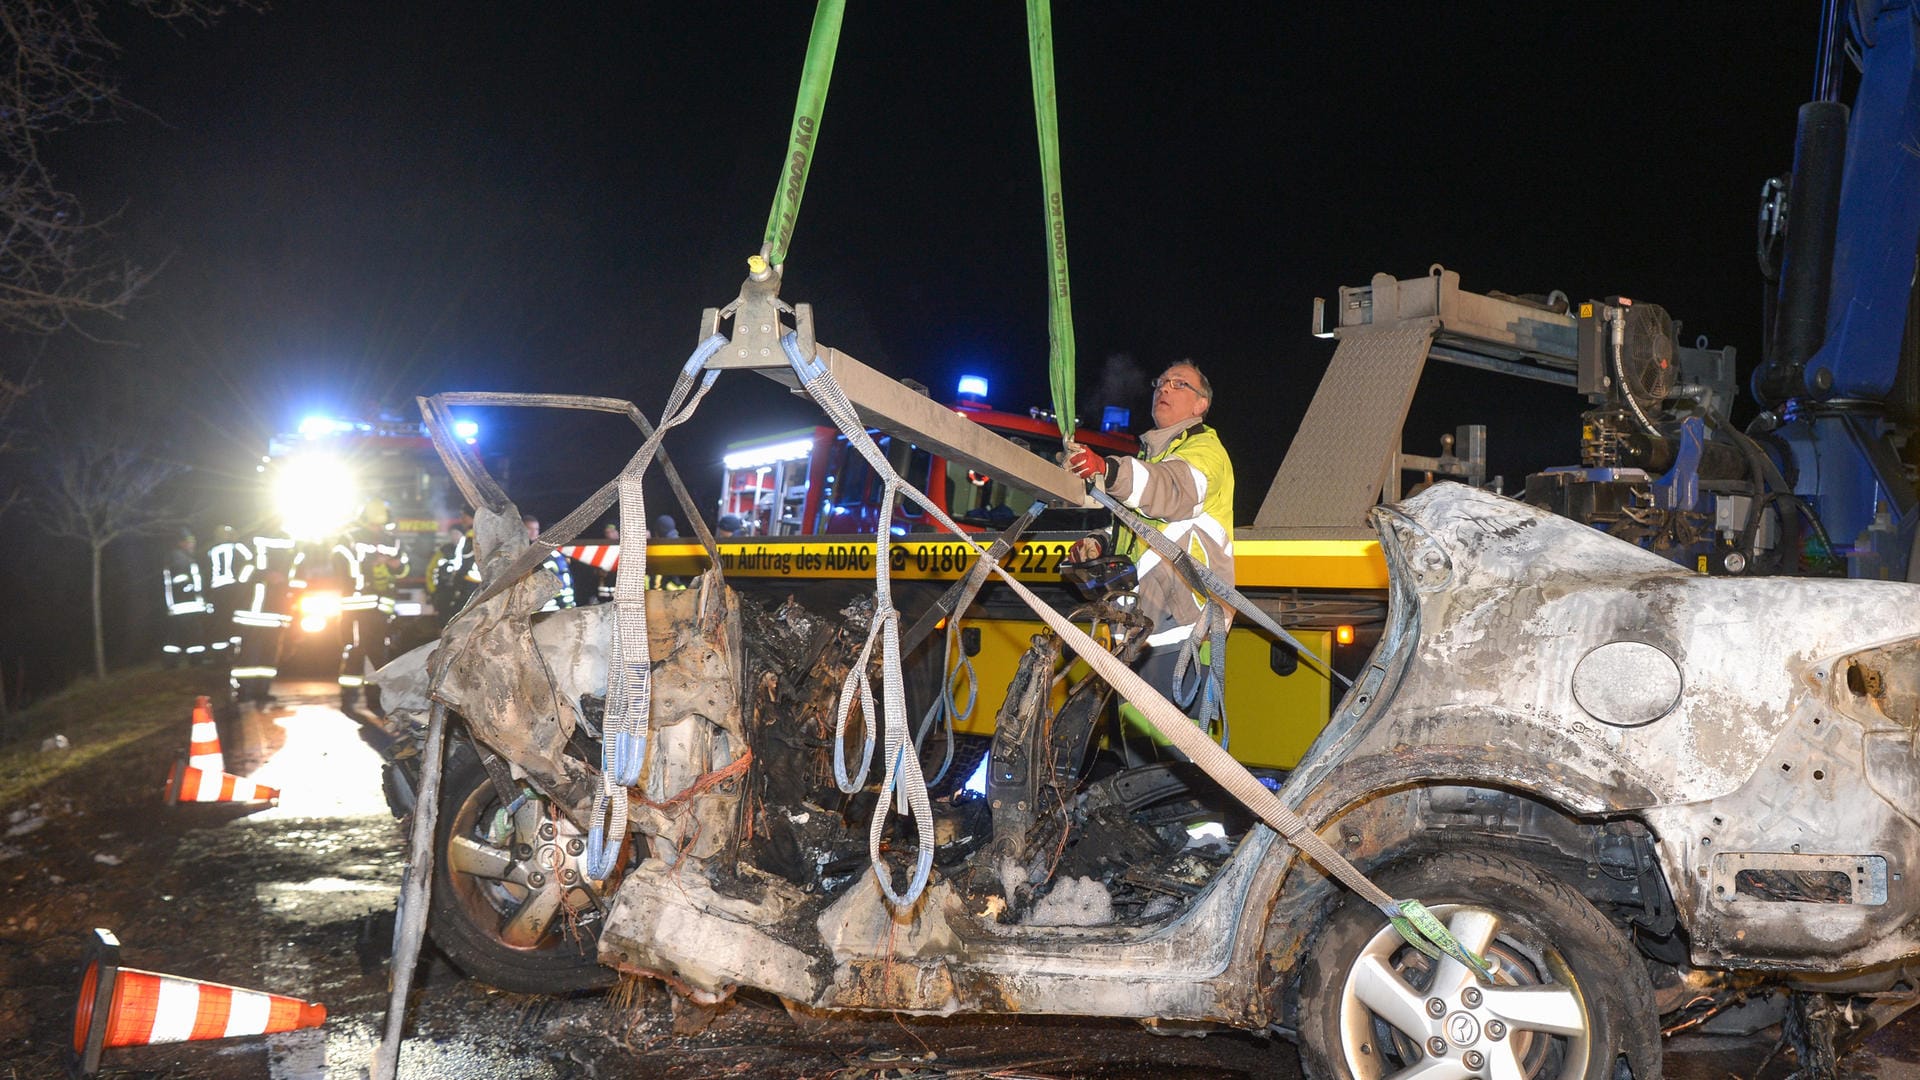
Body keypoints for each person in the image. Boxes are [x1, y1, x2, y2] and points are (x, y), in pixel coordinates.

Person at [1067, 360, 1235, 720]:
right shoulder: (1155, 456)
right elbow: (1142, 529)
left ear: (1200, 405)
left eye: (1179, 384)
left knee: (1172, 766)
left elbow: (1172, 491)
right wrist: (1100, 542)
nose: (1165, 389)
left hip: (1182, 632)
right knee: (1143, 762)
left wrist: (1108, 471)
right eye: (1161, 382)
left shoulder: (1206, 452)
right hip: (1142, 634)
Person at [333, 500, 409, 713]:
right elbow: (340, 564)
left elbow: (403, 569)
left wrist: (397, 566)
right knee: (356, 650)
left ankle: (375, 700)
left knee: (378, 654)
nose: (378, 525)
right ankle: (348, 698)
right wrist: (368, 566)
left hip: (381, 606)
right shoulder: (349, 537)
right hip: (356, 605)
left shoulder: (392, 540)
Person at [231, 528, 299, 706]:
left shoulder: (291, 544)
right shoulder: (250, 541)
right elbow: (241, 573)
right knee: (249, 654)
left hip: (277, 614)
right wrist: (264, 575)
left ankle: (262, 690)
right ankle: (244, 691)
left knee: (269, 656)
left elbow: (295, 576)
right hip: (253, 613)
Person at [202, 526, 255, 666]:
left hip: (217, 591)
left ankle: (219, 657)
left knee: (220, 624)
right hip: (234, 590)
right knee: (235, 622)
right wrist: (244, 581)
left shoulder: (211, 551)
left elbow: (206, 573)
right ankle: (235, 655)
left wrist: (208, 592)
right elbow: (251, 562)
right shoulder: (239, 547)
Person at [161, 529, 208, 666]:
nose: (193, 545)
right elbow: (181, 577)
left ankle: (170, 662)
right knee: (193, 632)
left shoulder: (178, 556)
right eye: (190, 542)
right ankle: (196, 660)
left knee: (176, 635)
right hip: (186, 603)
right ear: (182, 543)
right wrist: (189, 588)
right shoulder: (179, 557)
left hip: (181, 604)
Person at [429, 508, 479, 626]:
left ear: (470, 517)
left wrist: (458, 581)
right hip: (465, 587)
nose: (461, 519)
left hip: (469, 586)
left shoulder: (472, 536)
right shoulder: (446, 549)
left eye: (463, 516)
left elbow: (466, 564)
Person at [523, 514, 575, 610]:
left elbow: (562, 580)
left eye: (536, 529)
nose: (533, 532)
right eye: (529, 529)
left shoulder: (550, 554)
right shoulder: (522, 553)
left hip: (554, 607)